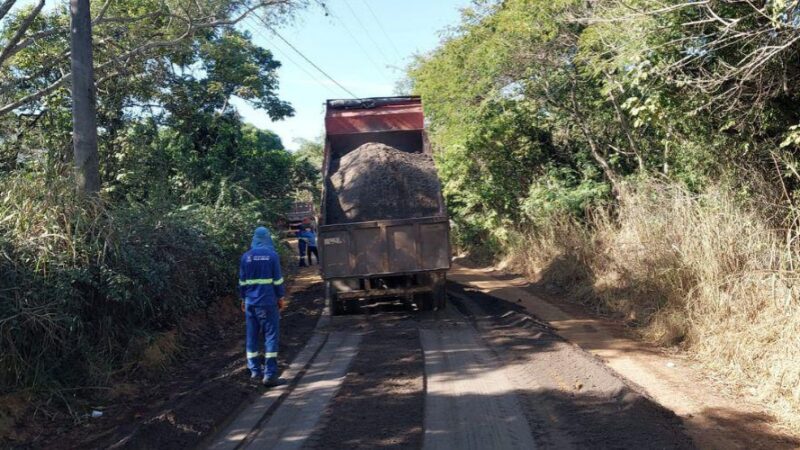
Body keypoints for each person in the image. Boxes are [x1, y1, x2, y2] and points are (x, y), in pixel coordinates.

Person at [239, 227, 285, 387]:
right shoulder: (272, 256)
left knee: (251, 336)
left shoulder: (246, 257)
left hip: (251, 303)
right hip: (268, 302)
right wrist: (280, 297)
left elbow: (242, 282)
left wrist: (243, 299)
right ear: (267, 238)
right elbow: (278, 280)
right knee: (271, 336)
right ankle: (270, 375)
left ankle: (255, 372)